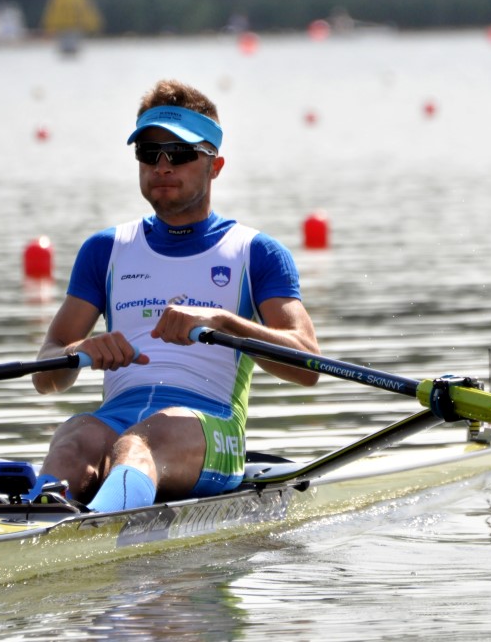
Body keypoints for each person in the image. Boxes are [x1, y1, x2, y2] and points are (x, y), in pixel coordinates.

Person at [30, 79, 319, 513]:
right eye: (149, 153)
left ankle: (94, 524)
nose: (162, 166)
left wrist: (223, 322)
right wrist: (78, 351)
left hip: (210, 427)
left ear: (215, 166)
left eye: (180, 153)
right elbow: (45, 375)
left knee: (140, 444)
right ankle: (35, 517)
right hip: (115, 420)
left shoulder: (255, 253)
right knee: (74, 438)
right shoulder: (104, 250)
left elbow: (308, 365)